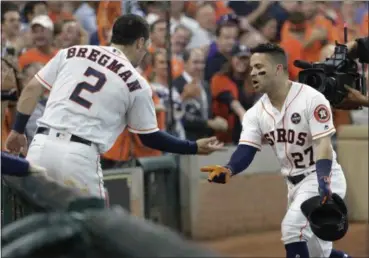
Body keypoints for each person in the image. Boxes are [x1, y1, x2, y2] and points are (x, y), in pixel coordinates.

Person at [5, 14, 224, 201]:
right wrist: (192, 147)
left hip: (41, 146)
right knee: (98, 231)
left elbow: (32, 88)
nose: (145, 51)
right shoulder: (137, 83)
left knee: (38, 225)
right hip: (79, 156)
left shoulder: (72, 52)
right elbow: (150, 137)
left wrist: (17, 130)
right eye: (145, 46)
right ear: (140, 43)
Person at [201, 43, 352, 258]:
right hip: (293, 185)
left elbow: (323, 144)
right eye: (251, 68)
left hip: (321, 176)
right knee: (318, 253)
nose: (252, 72)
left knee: (291, 230)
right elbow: (247, 148)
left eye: (259, 67)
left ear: (278, 69)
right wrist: (229, 168)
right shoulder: (256, 113)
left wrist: (323, 181)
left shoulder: (311, 98)